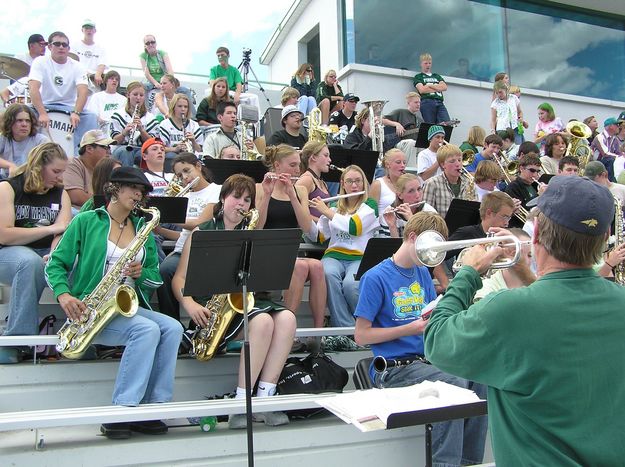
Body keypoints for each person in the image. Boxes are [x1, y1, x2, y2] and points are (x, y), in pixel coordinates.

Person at [424, 175, 625, 466]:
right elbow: (557, 306)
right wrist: (524, 271)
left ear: (537, 231)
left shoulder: (509, 309)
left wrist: (468, 273)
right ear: (605, 238)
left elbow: (436, 340)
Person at [45, 166, 183, 439]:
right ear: (115, 189)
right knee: (146, 330)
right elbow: (55, 264)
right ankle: (121, 410)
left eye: (142, 191)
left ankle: (153, 407)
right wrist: (64, 295)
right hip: (91, 308)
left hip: (128, 305)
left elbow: (155, 276)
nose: (139, 195)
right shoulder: (86, 220)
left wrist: (142, 274)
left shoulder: (143, 227)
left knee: (173, 328)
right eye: (133, 189)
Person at [354, 211, 488, 467]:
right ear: (413, 237)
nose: (432, 256)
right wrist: (410, 329)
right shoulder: (375, 276)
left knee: (481, 378)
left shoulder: (422, 274)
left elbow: (429, 319)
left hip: (426, 361)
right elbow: (361, 336)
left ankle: (470, 462)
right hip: (393, 368)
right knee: (454, 385)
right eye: (430, 247)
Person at [172, 174, 296, 429]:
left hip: (242, 304)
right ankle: (242, 403)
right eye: (236, 197)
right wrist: (190, 305)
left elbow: (258, 223)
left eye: (247, 200)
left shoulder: (248, 234)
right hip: (210, 310)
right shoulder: (201, 233)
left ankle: (265, 398)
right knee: (262, 322)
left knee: (288, 318)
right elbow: (179, 278)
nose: (241, 204)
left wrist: (267, 195)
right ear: (223, 199)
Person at [0, 143, 71, 364]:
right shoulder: (9, 187)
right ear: (39, 166)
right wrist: (49, 229)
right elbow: (5, 235)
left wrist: (54, 253)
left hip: (44, 251)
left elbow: (64, 232)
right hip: (9, 253)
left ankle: (80, 336)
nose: (59, 178)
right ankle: (17, 339)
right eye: (55, 171)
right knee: (29, 262)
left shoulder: (61, 193)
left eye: (62, 172)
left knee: (81, 261)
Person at [256, 144, 327, 330]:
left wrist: (293, 196)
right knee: (301, 266)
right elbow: (257, 226)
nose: (297, 170)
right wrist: (267, 194)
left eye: (298, 165)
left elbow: (305, 226)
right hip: (265, 253)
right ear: (277, 165)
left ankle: (318, 332)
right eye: (292, 165)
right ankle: (288, 328)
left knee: (318, 266)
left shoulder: (300, 190)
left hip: (290, 251)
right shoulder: (259, 188)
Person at [310, 165, 379, 327]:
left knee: (350, 285)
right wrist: (301, 210)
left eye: (358, 181)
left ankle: (366, 324)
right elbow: (319, 235)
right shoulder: (335, 205)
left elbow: (355, 228)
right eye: (350, 181)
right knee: (328, 274)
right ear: (343, 184)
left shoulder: (370, 205)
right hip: (334, 255)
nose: (354, 185)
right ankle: (346, 328)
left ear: (364, 183)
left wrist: (325, 212)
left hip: (359, 256)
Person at [157, 153, 221, 320]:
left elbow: (200, 223)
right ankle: (170, 322)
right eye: (180, 175)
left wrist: (167, 214)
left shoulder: (217, 190)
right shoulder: (184, 195)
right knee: (164, 270)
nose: (185, 177)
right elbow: (183, 234)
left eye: (187, 171)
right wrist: (159, 229)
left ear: (198, 166)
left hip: (203, 251)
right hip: (182, 250)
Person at [28, 31, 99, 154]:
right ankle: (28, 153)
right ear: (49, 47)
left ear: (68, 48)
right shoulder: (40, 62)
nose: (61, 47)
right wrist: (42, 113)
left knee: (91, 117)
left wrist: (76, 112)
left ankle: (79, 156)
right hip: (45, 105)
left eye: (64, 45)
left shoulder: (77, 66)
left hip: (70, 107)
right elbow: (33, 88)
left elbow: (83, 92)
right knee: (21, 113)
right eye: (57, 44)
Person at [473, 228, 535, 301]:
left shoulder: (537, 279)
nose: (526, 261)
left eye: (529, 255)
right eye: (516, 254)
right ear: (507, 254)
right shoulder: (488, 287)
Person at [110, 81, 160, 167]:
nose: (138, 98)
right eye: (135, 94)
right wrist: (124, 133)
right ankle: (126, 179)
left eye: (141, 95)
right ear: (128, 95)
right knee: (126, 152)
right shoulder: (118, 115)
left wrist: (141, 130)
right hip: (121, 148)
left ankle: (147, 179)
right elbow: (114, 141)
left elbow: (153, 142)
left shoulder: (150, 118)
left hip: (141, 148)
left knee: (148, 155)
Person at [64, 129, 114, 209]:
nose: (109, 152)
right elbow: (76, 196)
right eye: (105, 147)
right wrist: (108, 206)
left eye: (109, 148)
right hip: (78, 214)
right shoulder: (73, 164)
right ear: (89, 148)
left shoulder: (105, 168)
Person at [423, 143, 476, 218]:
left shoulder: (469, 181)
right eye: (452, 161)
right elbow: (426, 215)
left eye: (459, 160)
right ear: (442, 165)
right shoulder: (431, 184)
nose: (458, 164)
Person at [0, 104, 49, 178]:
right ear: (10, 122)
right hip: (6, 178)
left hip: (31, 180)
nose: (24, 124)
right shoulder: (4, 138)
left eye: (28, 121)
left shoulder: (41, 141)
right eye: (19, 120)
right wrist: (10, 165)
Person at [382, 173, 437, 238]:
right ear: (400, 195)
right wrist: (392, 226)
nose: (417, 195)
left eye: (419, 189)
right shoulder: (389, 214)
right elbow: (393, 247)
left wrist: (412, 220)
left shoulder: (429, 212)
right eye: (411, 191)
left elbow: (429, 243)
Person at [209, 46, 260, 116]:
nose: (220, 57)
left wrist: (237, 95)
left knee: (254, 97)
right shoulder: (214, 69)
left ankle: (256, 122)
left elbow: (239, 84)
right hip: (220, 91)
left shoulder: (234, 70)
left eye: (222, 55)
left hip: (232, 93)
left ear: (228, 55)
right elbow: (212, 82)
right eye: (218, 56)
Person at [158, 93, 203, 167]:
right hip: (173, 155)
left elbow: (199, 150)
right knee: (170, 156)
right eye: (179, 106)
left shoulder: (194, 125)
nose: (183, 109)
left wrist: (193, 141)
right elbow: (161, 148)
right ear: (173, 107)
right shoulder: (165, 124)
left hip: (189, 154)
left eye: (186, 107)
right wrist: (175, 149)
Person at [383, 92, 424, 167]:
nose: (418, 104)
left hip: (413, 146)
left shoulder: (420, 120)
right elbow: (381, 120)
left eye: (419, 102)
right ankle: (409, 171)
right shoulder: (400, 112)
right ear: (408, 103)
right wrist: (397, 124)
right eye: (416, 102)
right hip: (396, 143)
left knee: (423, 147)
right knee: (411, 143)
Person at [371, 149, 407, 235]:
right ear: (387, 164)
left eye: (404, 162)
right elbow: (371, 214)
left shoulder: (407, 183)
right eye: (398, 162)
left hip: (405, 231)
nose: (402, 166)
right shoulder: (378, 184)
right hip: (384, 232)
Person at [296, 141, 331, 222]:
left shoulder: (323, 183)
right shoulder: (306, 179)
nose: (329, 160)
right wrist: (322, 223)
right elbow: (296, 211)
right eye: (326, 155)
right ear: (314, 157)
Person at [413, 53, 449, 124]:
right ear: (421, 64)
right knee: (430, 126)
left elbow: (444, 87)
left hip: (439, 102)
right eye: (425, 63)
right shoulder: (418, 77)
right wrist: (437, 87)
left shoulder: (437, 76)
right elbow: (422, 90)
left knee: (446, 123)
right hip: (427, 102)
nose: (428, 65)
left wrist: (429, 85)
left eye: (429, 63)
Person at [86, 70, 126, 134]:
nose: (114, 80)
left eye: (117, 79)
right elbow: (92, 114)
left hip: (117, 132)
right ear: (106, 81)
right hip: (100, 130)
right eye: (112, 78)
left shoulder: (124, 99)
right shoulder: (96, 96)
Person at [72, 19, 107, 88]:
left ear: (95, 31)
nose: (88, 30)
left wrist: (98, 74)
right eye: (86, 28)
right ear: (82, 30)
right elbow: (72, 62)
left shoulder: (100, 48)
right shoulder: (74, 45)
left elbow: (102, 64)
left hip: (93, 81)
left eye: (91, 28)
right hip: (77, 79)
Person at [591, 117, 622, 181]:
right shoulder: (599, 137)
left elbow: (619, 152)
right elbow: (605, 153)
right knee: (610, 160)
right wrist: (619, 157)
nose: (619, 127)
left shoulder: (615, 139)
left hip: (608, 161)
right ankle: (611, 182)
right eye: (617, 125)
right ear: (611, 126)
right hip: (597, 162)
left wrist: (622, 156)